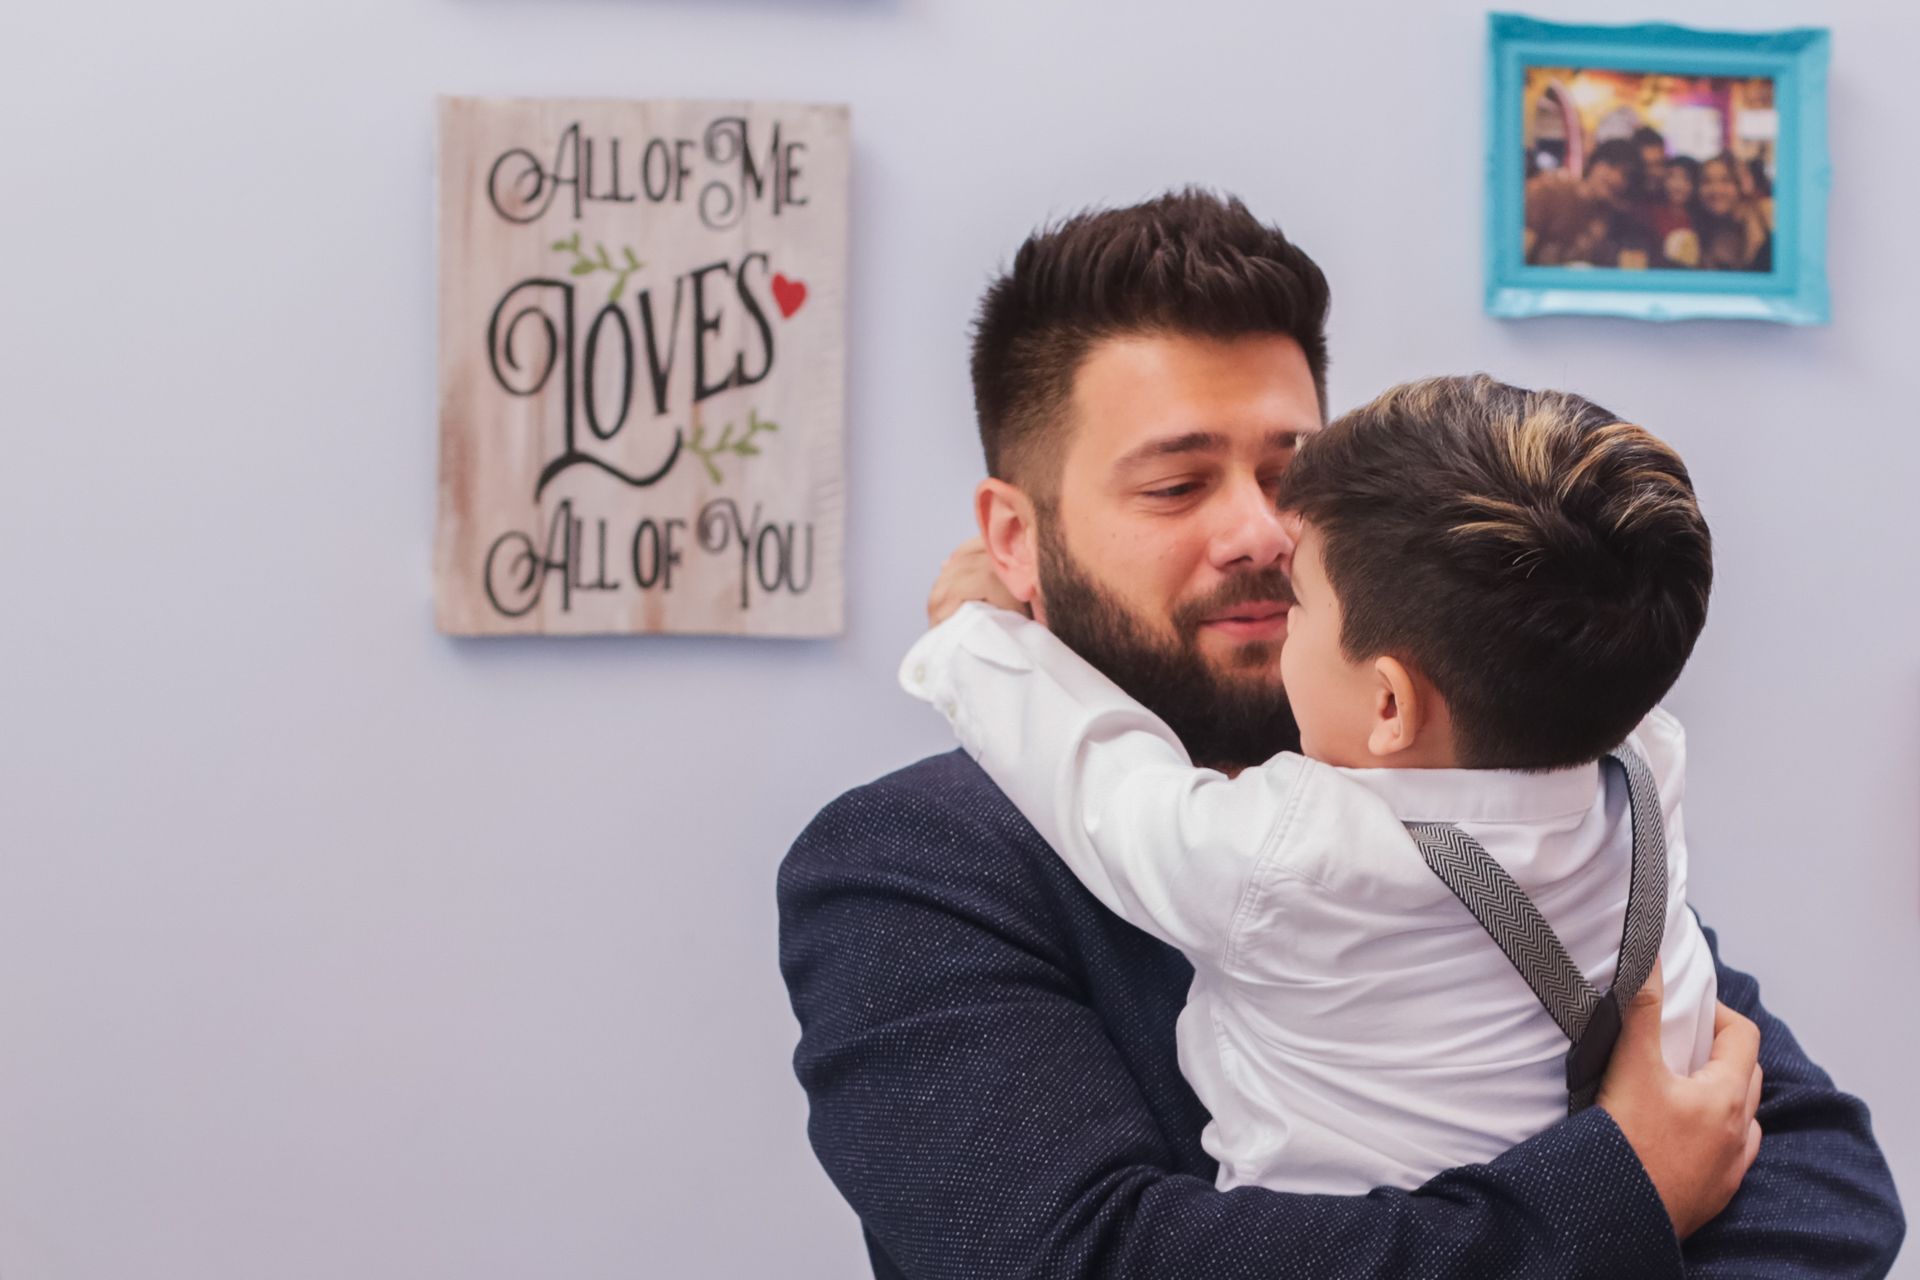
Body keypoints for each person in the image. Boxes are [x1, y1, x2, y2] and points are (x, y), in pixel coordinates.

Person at [777, 190, 1904, 1279]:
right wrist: (1627, 1189)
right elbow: (1083, 1258)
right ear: (1013, 539)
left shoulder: (1486, 775)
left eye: (1288, 477)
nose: (1260, 531)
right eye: (1178, 485)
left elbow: (1828, 1185)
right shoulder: (913, 863)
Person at [899, 375, 1721, 1195]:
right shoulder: (1646, 770)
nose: (1261, 560)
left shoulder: (1288, 854)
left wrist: (977, 639)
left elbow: (1098, 779)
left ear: (1389, 704)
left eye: (1298, 601)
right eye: (1177, 487)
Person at [1524, 138, 1646, 267]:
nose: (1617, 179)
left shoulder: (1609, 215)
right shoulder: (1551, 194)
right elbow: (1518, 253)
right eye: (1613, 167)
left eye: (1626, 175)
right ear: (1596, 165)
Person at [1697, 153, 1774, 272]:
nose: (1715, 190)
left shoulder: (1769, 212)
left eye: (1726, 181)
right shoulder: (1710, 233)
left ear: (1742, 185)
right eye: (1707, 182)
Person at [1653, 156, 1703, 268]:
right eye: (1671, 177)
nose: (1677, 185)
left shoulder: (1703, 218)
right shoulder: (1651, 215)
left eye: (1686, 179)